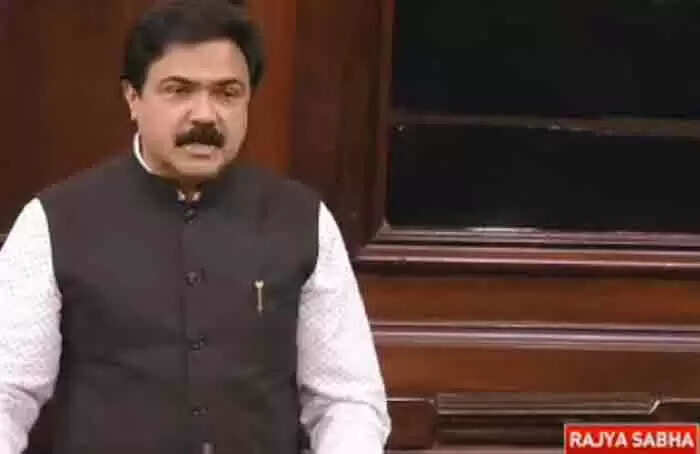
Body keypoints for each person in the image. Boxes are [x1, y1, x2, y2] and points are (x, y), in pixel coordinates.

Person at [0, 0, 390, 452]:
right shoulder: (54, 222)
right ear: (133, 98)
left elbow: (347, 400)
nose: (205, 115)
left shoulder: (301, 218)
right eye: (178, 90)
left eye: (227, 93)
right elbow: (6, 392)